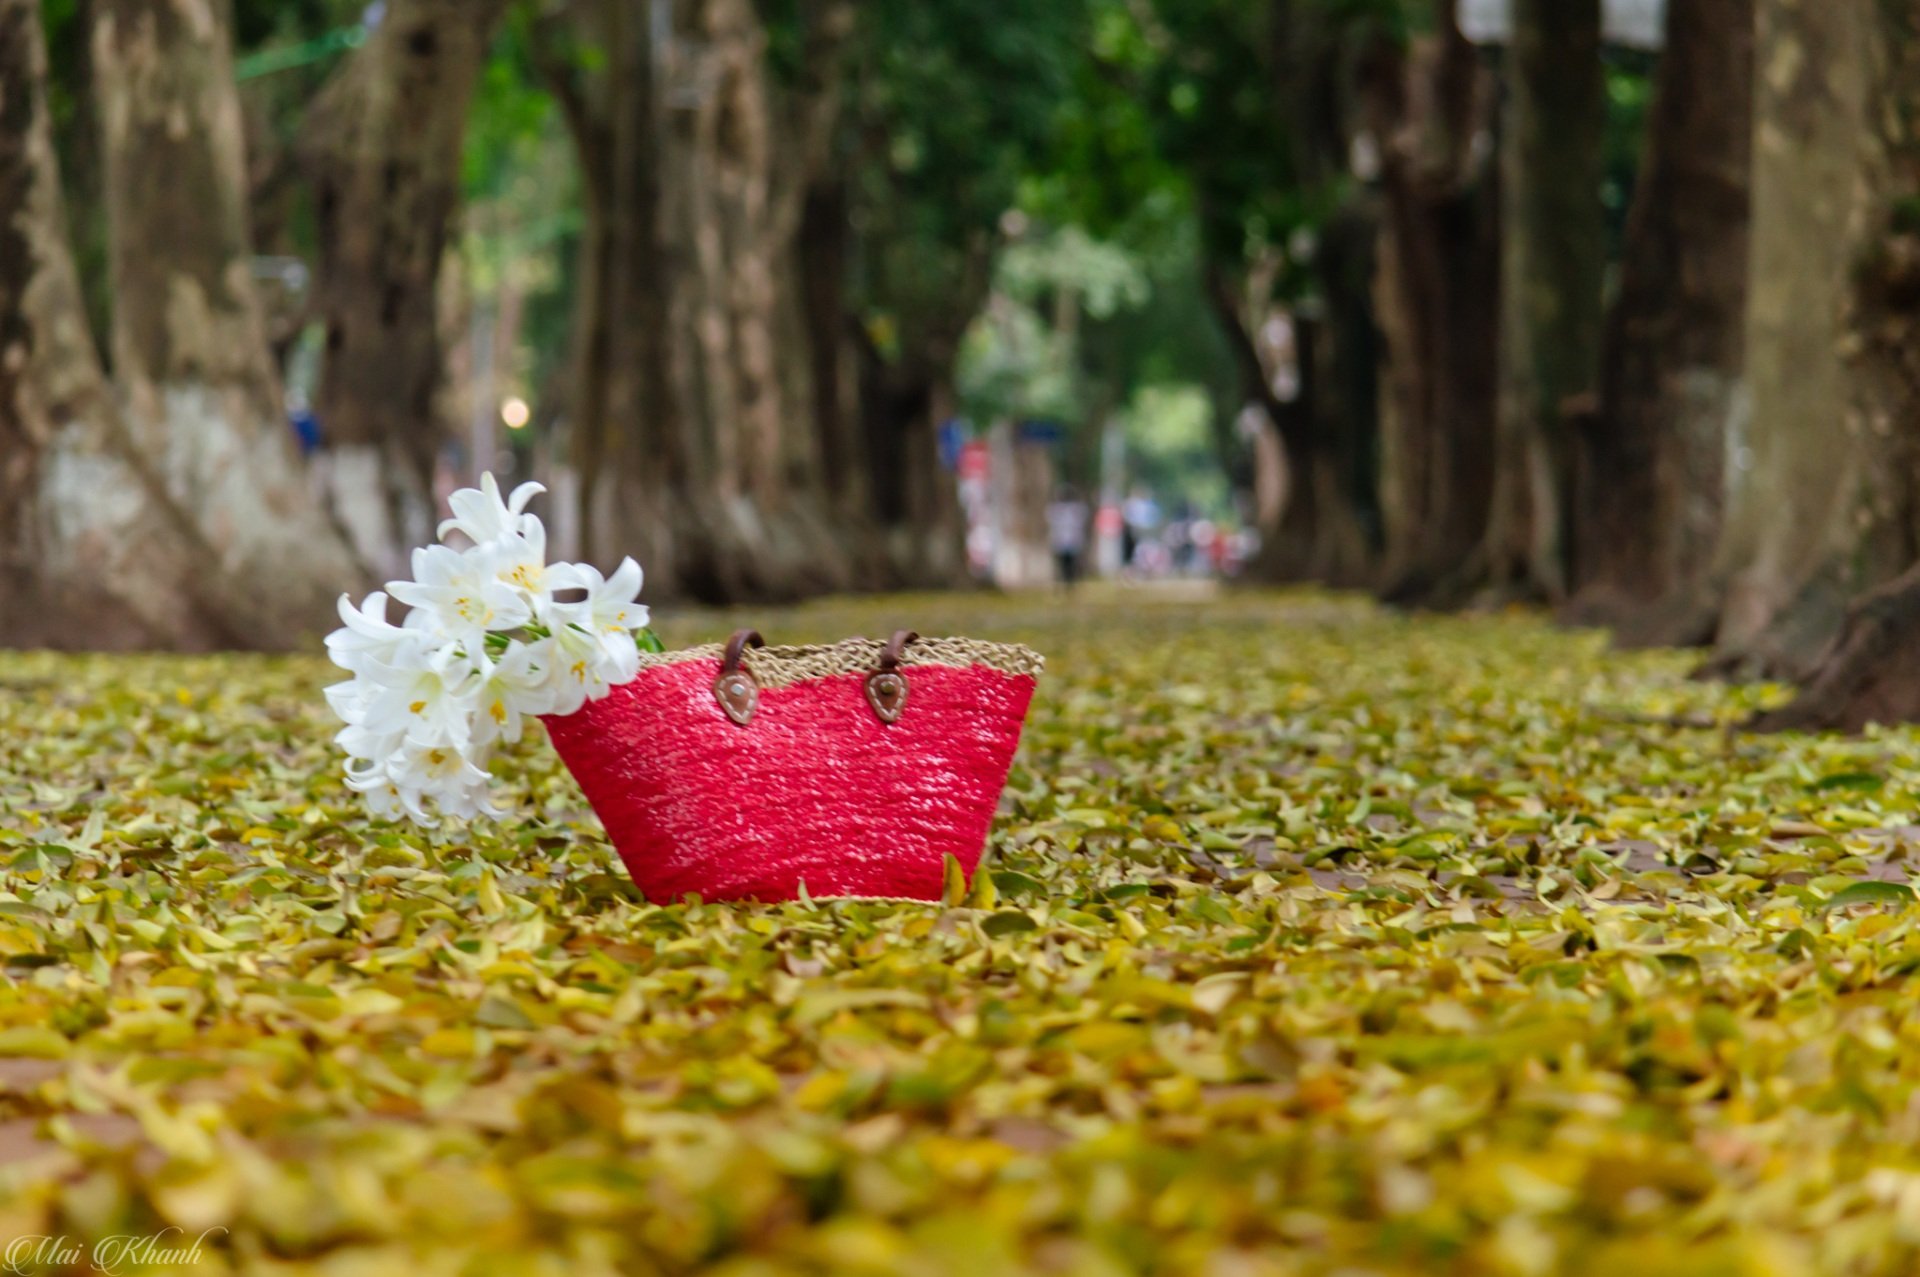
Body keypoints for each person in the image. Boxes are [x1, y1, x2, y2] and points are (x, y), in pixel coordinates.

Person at [1047, 486, 1091, 589]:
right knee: (1066, 563)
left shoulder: (1072, 509)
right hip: (1064, 540)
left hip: (1069, 540)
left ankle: (1069, 581)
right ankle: (1066, 580)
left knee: (1069, 562)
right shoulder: (1060, 509)